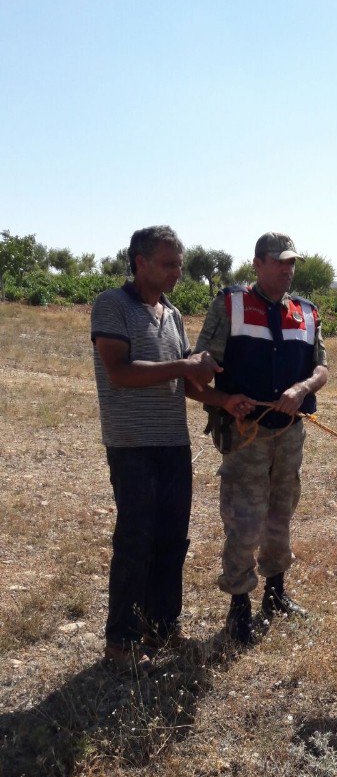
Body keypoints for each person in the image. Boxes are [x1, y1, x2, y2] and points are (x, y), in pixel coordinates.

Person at [91, 225, 249, 671]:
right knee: (136, 540)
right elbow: (120, 371)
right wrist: (185, 364)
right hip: (133, 445)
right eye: (169, 264)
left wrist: (222, 399)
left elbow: (185, 383)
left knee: (171, 540)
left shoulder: (172, 314)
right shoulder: (112, 305)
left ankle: (161, 628)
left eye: (180, 263)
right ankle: (120, 642)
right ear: (140, 263)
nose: (178, 272)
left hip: (173, 443)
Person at [195, 231, 329, 645]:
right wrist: (222, 398)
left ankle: (276, 592)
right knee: (244, 517)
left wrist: (303, 389)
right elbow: (202, 366)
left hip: (289, 434)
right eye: (279, 262)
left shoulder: (306, 312)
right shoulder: (230, 304)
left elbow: (321, 369)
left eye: (291, 263)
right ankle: (239, 605)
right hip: (245, 433)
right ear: (257, 264)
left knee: (281, 511)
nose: (287, 270)